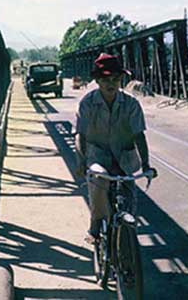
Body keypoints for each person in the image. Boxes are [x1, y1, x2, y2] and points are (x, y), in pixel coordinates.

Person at [75, 53, 153, 244]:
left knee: (129, 204)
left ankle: (127, 252)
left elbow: (139, 135)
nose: (111, 84)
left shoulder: (131, 104)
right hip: (98, 156)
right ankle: (95, 226)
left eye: (116, 79)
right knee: (98, 181)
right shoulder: (87, 103)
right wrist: (81, 161)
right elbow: (80, 135)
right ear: (97, 81)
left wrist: (146, 165)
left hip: (124, 158)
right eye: (105, 79)